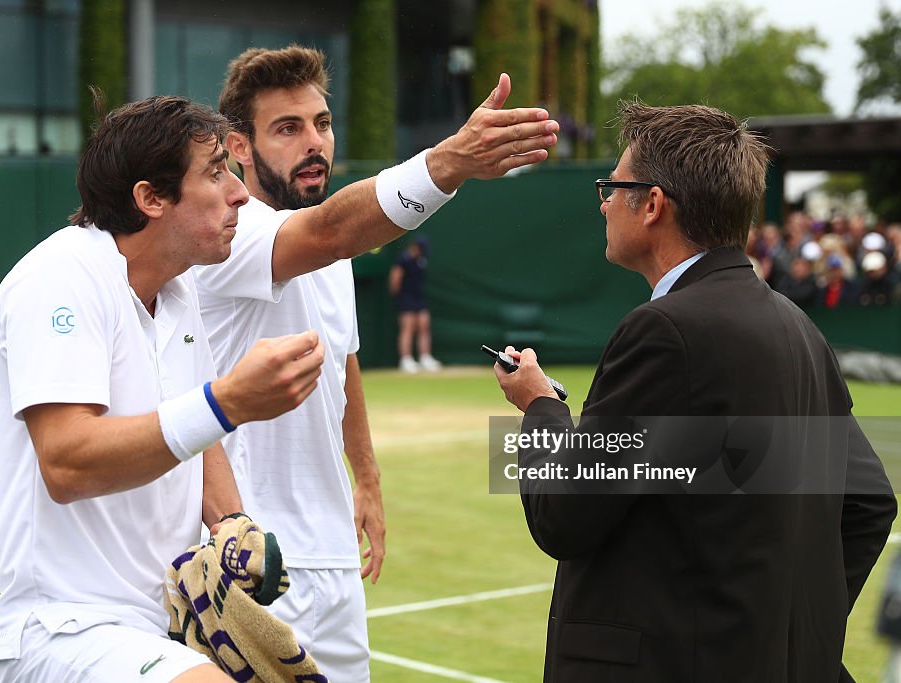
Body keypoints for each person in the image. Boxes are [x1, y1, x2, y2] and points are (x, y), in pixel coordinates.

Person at [493, 102, 896, 682]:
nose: (604, 202)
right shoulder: (797, 326)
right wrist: (799, 636)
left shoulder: (664, 330)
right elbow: (869, 502)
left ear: (653, 204)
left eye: (613, 186)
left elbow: (562, 515)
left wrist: (540, 407)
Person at [193, 45, 557, 681]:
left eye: (322, 124)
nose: (314, 143)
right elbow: (332, 231)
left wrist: (367, 477)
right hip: (247, 563)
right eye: (288, 128)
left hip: (332, 562)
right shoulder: (230, 233)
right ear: (239, 147)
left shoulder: (330, 246)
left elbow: (343, 359)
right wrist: (450, 162)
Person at [0, 94, 331, 683]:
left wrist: (230, 525)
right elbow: (67, 463)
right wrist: (228, 403)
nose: (239, 193)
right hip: (63, 631)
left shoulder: (178, 289)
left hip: (160, 628)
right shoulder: (58, 279)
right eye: (215, 172)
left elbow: (196, 430)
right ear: (150, 199)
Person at [389, 235, 443, 372]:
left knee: (424, 325)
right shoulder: (403, 259)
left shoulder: (422, 260)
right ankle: (405, 360)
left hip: (419, 297)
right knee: (408, 327)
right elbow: (395, 278)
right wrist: (400, 297)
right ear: (414, 247)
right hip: (406, 297)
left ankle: (425, 357)